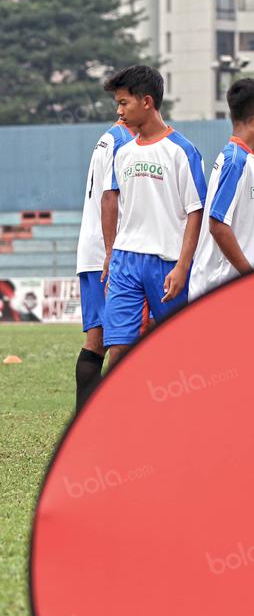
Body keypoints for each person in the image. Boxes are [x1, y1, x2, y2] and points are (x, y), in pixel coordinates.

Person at [101, 65, 206, 365]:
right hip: (126, 260)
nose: (119, 112)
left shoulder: (182, 150)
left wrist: (183, 266)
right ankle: (125, 411)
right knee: (119, 348)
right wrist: (111, 255)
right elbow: (116, 204)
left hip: (167, 262)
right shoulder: (123, 153)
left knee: (176, 349)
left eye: (124, 103)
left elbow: (194, 211)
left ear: (146, 102)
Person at [188, 79, 254, 300]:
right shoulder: (236, 161)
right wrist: (250, 276)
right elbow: (217, 225)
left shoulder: (248, 157)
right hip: (222, 289)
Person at [73, 118, 134, 409]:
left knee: (97, 339)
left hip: (93, 250)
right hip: (105, 254)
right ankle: (109, 417)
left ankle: (87, 416)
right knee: (118, 340)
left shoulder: (107, 138)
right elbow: (110, 198)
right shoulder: (122, 139)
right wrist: (112, 253)